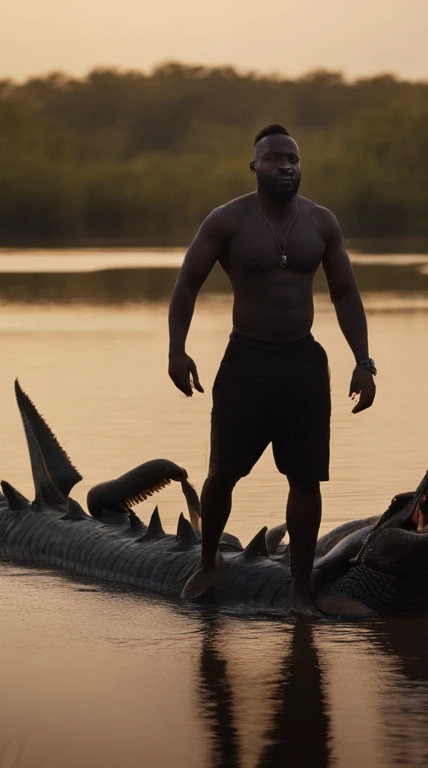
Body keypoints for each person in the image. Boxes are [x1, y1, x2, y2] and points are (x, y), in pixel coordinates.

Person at [167, 123, 376, 616]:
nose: (286, 166)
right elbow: (187, 283)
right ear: (255, 166)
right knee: (222, 474)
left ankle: (300, 592)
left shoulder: (321, 223)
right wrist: (178, 351)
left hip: (303, 364)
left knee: (306, 480)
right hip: (247, 364)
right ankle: (210, 559)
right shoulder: (227, 221)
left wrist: (363, 362)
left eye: (293, 159)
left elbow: (345, 294)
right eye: (275, 159)